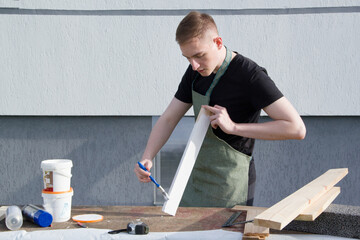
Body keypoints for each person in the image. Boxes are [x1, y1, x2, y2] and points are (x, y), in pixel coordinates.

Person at [134, 11, 306, 207]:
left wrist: (234, 127)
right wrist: (148, 156)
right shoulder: (195, 73)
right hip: (197, 177)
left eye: (199, 56)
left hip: (232, 184)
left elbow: (296, 128)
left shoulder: (250, 76)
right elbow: (168, 119)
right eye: (187, 58)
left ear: (217, 42)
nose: (194, 65)